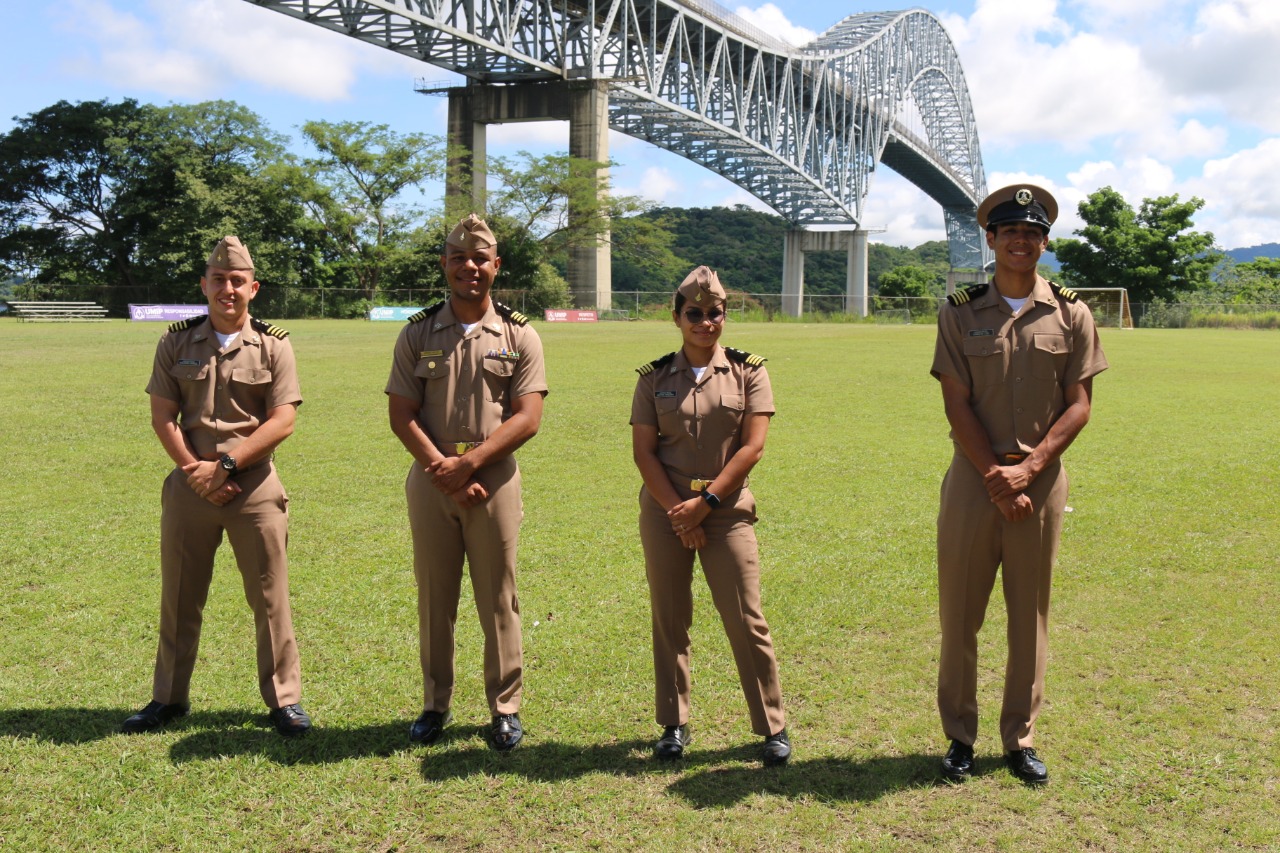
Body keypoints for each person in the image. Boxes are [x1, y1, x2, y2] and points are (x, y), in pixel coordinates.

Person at [931, 185, 1109, 785]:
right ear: (991, 239)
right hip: (972, 481)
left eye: (1031, 232)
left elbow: (1080, 405)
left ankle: (1020, 739)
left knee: (1028, 614)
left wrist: (1029, 471)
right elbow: (956, 404)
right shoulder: (960, 311)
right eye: (1009, 231)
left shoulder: (1072, 313)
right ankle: (959, 736)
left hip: (1041, 481)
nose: (1020, 240)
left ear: (1044, 243)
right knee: (960, 613)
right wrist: (996, 478)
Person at [124, 236, 311, 737]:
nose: (227, 290)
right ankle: (167, 697)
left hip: (255, 488)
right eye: (218, 281)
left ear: (253, 287)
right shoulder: (175, 342)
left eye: (237, 282)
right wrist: (196, 471)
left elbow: (283, 419)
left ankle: (284, 701)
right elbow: (163, 415)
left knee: (270, 599)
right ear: (204, 285)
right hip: (190, 486)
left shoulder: (274, 344)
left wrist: (225, 465)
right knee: (180, 594)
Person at [386, 214, 547, 752]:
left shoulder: (520, 335)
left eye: (480, 259)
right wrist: (445, 472)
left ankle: (505, 707)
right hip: (432, 478)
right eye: (459, 258)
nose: (470, 267)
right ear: (445, 265)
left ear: (496, 267)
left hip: (494, 481)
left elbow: (527, 417)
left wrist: (470, 465)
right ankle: (435, 704)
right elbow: (402, 413)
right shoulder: (417, 331)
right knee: (435, 595)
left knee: (499, 597)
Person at [630, 266, 791, 766]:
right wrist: (679, 514)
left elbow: (752, 448)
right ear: (676, 317)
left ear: (725, 315)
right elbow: (644, 453)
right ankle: (673, 725)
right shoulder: (653, 377)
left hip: (726, 512)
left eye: (714, 313)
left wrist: (705, 506)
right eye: (694, 314)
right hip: (666, 512)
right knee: (670, 619)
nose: (705, 322)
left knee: (746, 619)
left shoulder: (750, 371)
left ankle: (771, 726)